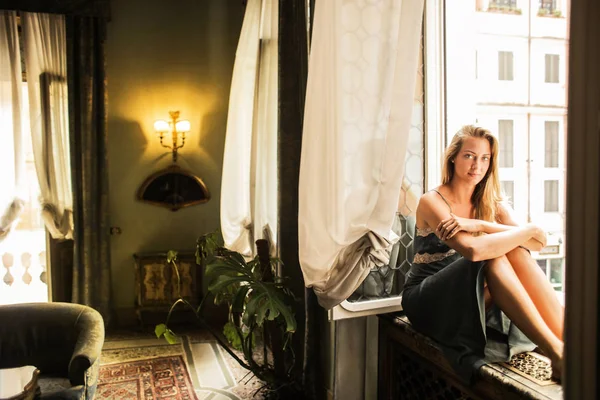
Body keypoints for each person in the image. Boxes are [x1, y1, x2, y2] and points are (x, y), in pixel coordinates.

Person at [401, 125, 564, 384]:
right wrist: (524, 231)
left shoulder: (491, 202)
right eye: (469, 155)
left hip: (470, 297)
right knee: (495, 254)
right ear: (453, 157)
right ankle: (556, 351)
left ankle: (565, 344)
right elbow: (473, 251)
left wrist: (482, 225)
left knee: (518, 253)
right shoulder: (432, 201)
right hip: (427, 301)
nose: (477, 165)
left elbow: (537, 242)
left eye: (485, 158)